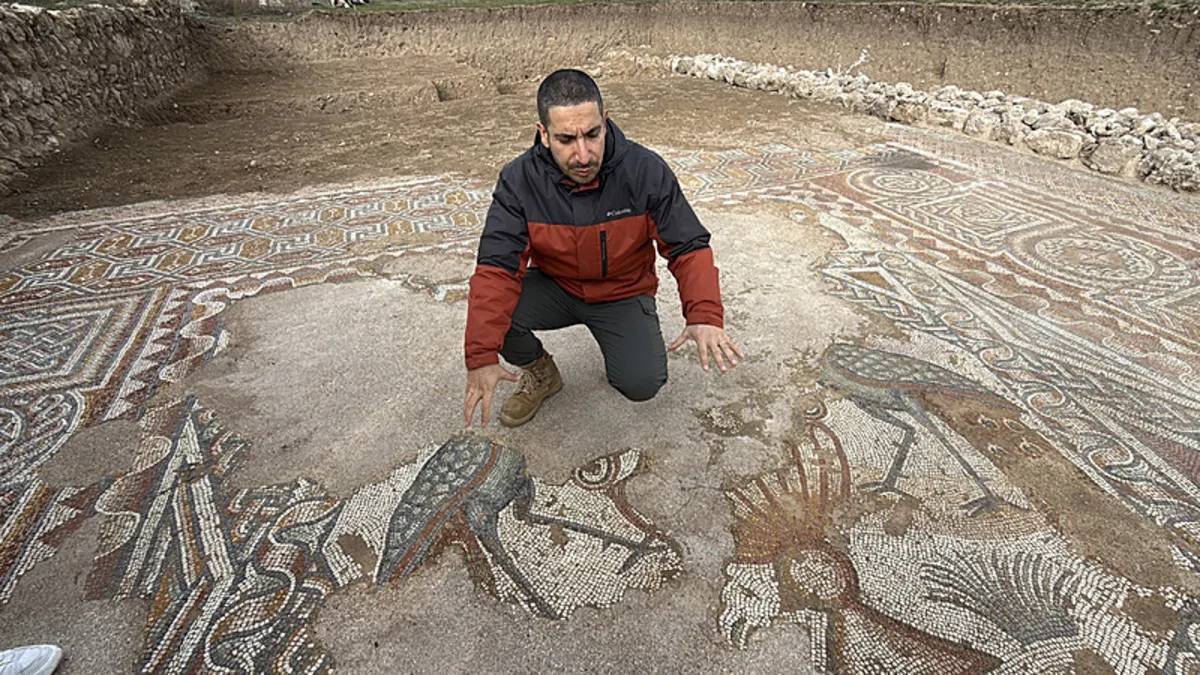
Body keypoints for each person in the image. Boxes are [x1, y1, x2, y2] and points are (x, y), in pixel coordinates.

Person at [462, 69, 743, 428]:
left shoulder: (645, 170)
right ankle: (542, 372)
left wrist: (704, 314)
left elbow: (687, 244)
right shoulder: (518, 181)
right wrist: (481, 355)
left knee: (642, 384)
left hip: (622, 293)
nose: (583, 155)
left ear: (605, 122)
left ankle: (622, 349)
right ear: (543, 135)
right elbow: (496, 269)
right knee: (492, 315)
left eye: (592, 134)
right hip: (556, 288)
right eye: (566, 139)